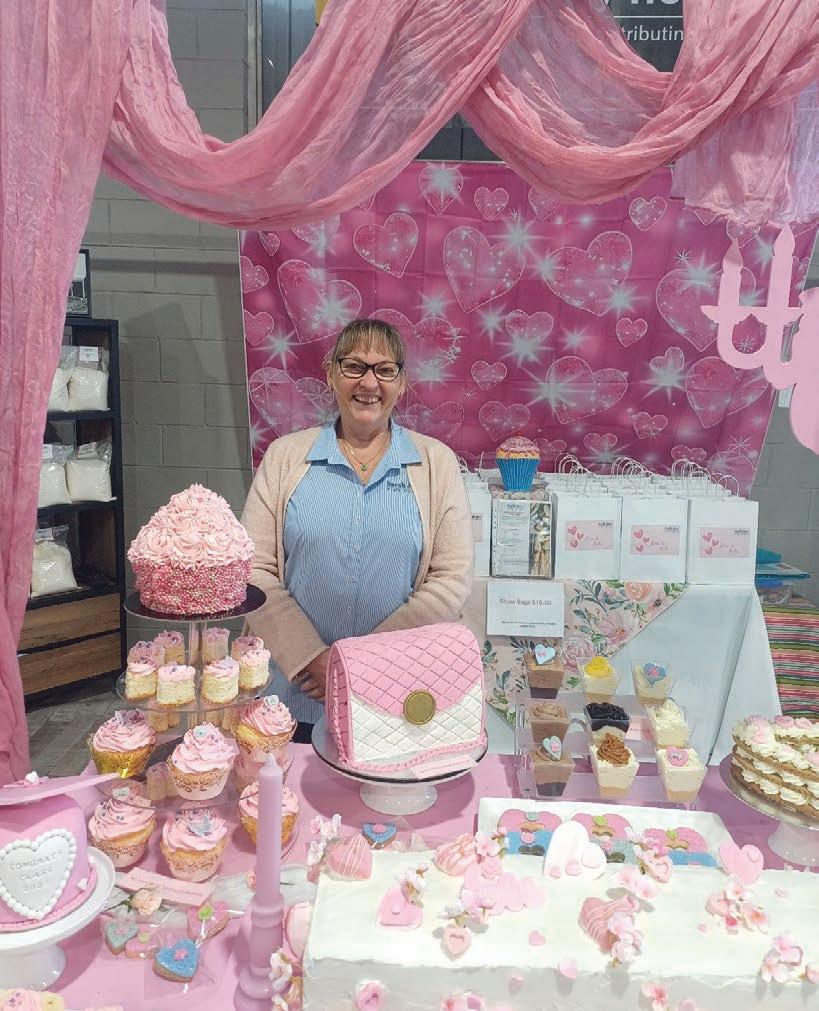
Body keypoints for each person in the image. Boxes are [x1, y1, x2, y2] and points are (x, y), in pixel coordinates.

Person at [241, 318, 474, 741]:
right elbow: (254, 571)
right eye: (354, 367)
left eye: (385, 370)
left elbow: (451, 580)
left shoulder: (436, 464)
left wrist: (362, 663)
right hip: (294, 696)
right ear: (331, 374)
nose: (369, 383)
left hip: (394, 698)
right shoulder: (284, 458)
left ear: (401, 383)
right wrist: (310, 658)